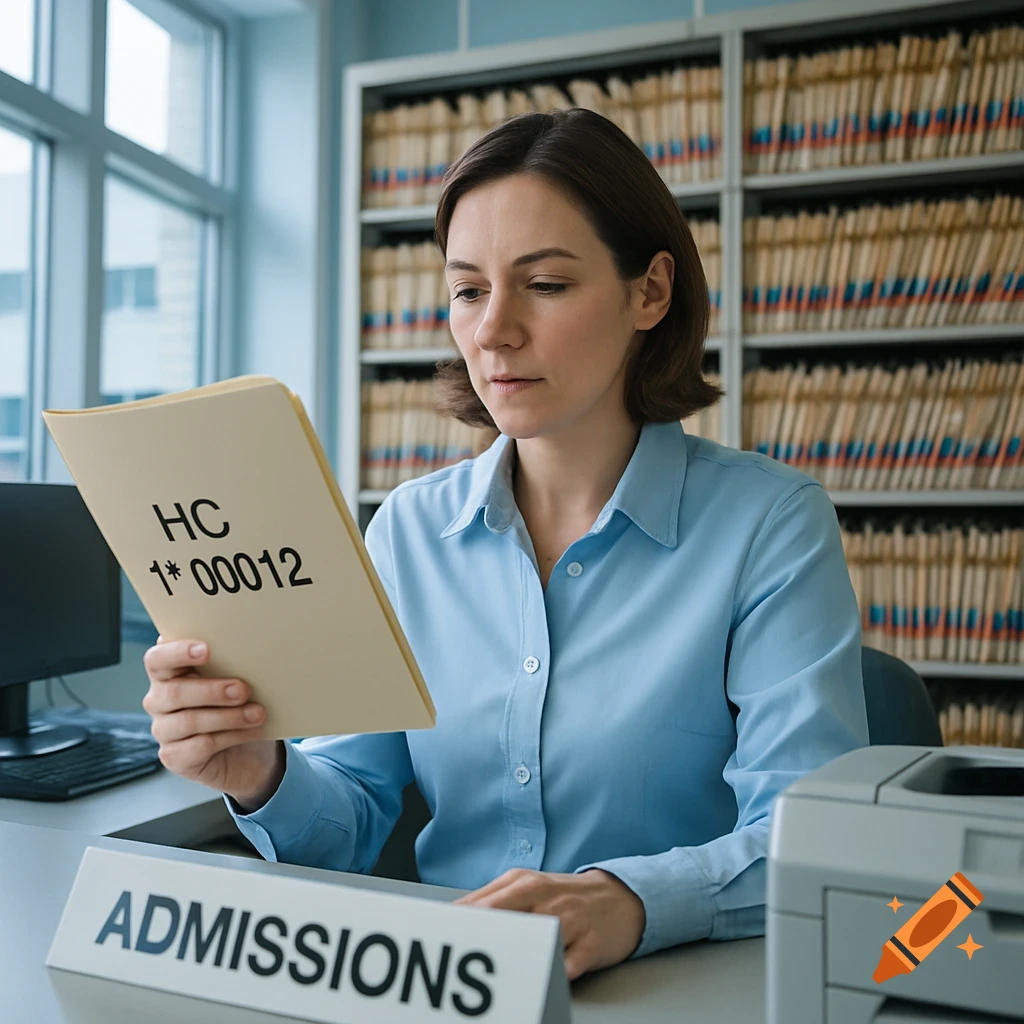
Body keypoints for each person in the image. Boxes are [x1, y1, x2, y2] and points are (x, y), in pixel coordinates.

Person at [142, 107, 869, 982]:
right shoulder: (408, 531)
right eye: (468, 289)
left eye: (546, 284)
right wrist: (257, 770)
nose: (493, 331)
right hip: (449, 987)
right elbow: (350, 820)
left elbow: (808, 838)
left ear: (651, 291)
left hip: (680, 988)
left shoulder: (771, 524)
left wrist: (631, 901)